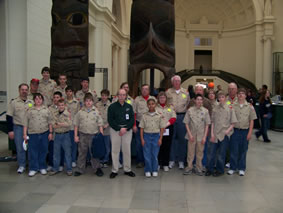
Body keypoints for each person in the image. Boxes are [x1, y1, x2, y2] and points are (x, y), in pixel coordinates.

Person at [206, 91, 237, 177]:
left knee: (221, 154)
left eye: (223, 97)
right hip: (215, 134)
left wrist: (227, 131)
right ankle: (210, 169)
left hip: (224, 134)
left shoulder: (230, 109)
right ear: (218, 98)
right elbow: (212, 122)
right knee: (211, 153)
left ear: (225, 98)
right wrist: (212, 134)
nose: (221, 99)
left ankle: (220, 170)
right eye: (219, 97)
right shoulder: (215, 108)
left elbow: (233, 122)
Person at [73, 93, 104, 176]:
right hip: (82, 135)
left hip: (93, 135)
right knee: (82, 153)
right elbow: (76, 125)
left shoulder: (96, 112)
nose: (88, 103)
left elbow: (100, 124)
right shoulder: (80, 112)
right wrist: (76, 136)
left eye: (90, 101)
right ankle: (80, 169)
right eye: (86, 101)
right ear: (84, 102)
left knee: (94, 153)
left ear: (93, 102)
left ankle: (97, 168)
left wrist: (101, 135)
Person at [228, 88, 257, 176]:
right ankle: (233, 167)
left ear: (245, 95)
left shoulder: (250, 106)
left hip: (245, 131)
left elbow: (252, 120)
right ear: (237, 95)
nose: (241, 95)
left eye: (243, 93)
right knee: (233, 149)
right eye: (239, 93)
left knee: (243, 150)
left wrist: (250, 133)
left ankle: (241, 168)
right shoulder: (233, 105)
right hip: (235, 131)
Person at [23, 93, 53, 177]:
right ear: (34, 101)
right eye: (36, 99)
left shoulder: (46, 110)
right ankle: (33, 168)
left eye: (40, 99)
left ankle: (42, 167)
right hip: (33, 134)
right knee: (33, 152)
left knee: (43, 151)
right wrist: (24, 134)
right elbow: (25, 123)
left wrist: (50, 133)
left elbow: (50, 122)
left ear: (42, 100)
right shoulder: (30, 110)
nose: (38, 100)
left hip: (44, 133)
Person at [108, 89, 135, 179]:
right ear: (117, 96)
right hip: (115, 130)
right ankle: (115, 170)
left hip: (127, 131)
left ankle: (127, 169)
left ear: (126, 96)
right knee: (115, 150)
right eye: (120, 95)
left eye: (124, 95)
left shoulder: (129, 106)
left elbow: (132, 119)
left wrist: (126, 128)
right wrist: (119, 129)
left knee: (126, 150)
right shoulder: (112, 107)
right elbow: (110, 120)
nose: (122, 96)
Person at [7, 83, 34, 174]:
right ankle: (21, 165)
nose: (24, 91)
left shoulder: (31, 102)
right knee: (20, 148)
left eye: (26, 89)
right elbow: (9, 116)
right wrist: (10, 130)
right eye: (22, 89)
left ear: (28, 91)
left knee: (30, 147)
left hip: (30, 128)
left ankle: (31, 165)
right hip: (18, 127)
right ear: (19, 90)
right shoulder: (14, 102)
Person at [166, 75, 190, 169]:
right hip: (171, 117)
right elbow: (166, 105)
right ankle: (171, 160)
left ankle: (181, 161)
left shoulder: (186, 92)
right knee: (171, 139)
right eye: (175, 81)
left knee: (182, 140)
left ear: (180, 82)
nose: (176, 82)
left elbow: (188, 104)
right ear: (172, 82)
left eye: (178, 81)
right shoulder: (168, 92)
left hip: (181, 117)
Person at [183, 94, 211, 176]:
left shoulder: (205, 111)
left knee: (200, 152)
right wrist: (190, 134)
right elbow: (186, 123)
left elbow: (207, 125)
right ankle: (189, 167)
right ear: (195, 100)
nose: (199, 101)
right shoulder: (190, 110)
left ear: (202, 101)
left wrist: (205, 137)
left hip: (201, 135)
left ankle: (199, 167)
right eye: (197, 99)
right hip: (191, 135)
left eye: (200, 99)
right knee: (190, 152)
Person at [140, 98, 166, 177]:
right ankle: (148, 170)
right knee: (147, 154)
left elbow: (162, 128)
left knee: (154, 154)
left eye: (152, 104)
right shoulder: (144, 115)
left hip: (156, 136)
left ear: (155, 105)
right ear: (147, 105)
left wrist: (160, 138)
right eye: (149, 104)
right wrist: (142, 139)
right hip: (147, 136)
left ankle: (154, 169)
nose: (151, 105)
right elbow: (141, 128)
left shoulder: (159, 115)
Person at [134, 84, 156, 168]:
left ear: (149, 91)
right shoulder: (137, 99)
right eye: (143, 89)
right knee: (139, 144)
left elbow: (156, 113)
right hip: (139, 125)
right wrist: (134, 125)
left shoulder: (153, 99)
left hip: (150, 126)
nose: (144, 91)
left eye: (146, 89)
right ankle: (140, 161)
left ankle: (148, 161)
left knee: (149, 144)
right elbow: (134, 113)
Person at [49, 99, 73, 176]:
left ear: (65, 105)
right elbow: (53, 124)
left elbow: (69, 124)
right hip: (57, 135)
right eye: (59, 105)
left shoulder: (67, 113)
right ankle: (55, 168)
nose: (61, 106)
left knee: (68, 153)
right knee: (56, 153)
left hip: (66, 135)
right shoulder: (54, 114)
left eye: (62, 105)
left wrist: (59, 123)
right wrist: (62, 124)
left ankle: (69, 169)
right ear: (57, 106)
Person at [156, 92, 176, 172]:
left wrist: (165, 125)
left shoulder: (170, 107)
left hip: (168, 128)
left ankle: (165, 164)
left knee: (167, 146)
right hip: (157, 128)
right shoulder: (155, 107)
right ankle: (157, 163)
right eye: (160, 98)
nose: (162, 99)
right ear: (158, 98)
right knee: (158, 146)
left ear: (166, 99)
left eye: (163, 98)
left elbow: (173, 118)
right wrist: (161, 126)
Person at [95, 89, 112, 167]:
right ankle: (100, 160)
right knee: (99, 145)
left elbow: (113, 117)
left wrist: (107, 124)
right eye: (102, 95)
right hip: (99, 128)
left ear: (108, 96)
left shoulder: (111, 105)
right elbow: (95, 116)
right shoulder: (97, 105)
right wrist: (100, 125)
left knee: (107, 146)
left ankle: (106, 160)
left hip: (108, 129)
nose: (104, 97)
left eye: (105, 95)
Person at [47, 91, 63, 171]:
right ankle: (51, 164)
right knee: (52, 148)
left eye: (58, 97)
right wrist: (50, 132)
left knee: (60, 149)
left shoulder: (63, 108)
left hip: (61, 131)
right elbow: (49, 120)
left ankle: (60, 164)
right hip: (52, 131)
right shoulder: (49, 108)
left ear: (61, 98)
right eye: (54, 97)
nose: (56, 99)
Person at [65, 86, 80, 167]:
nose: (69, 93)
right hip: (65, 127)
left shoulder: (76, 102)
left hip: (73, 127)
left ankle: (73, 160)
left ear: (73, 92)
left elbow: (78, 115)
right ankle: (67, 160)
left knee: (74, 145)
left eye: (70, 91)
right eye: (67, 91)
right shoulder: (63, 102)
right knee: (66, 145)